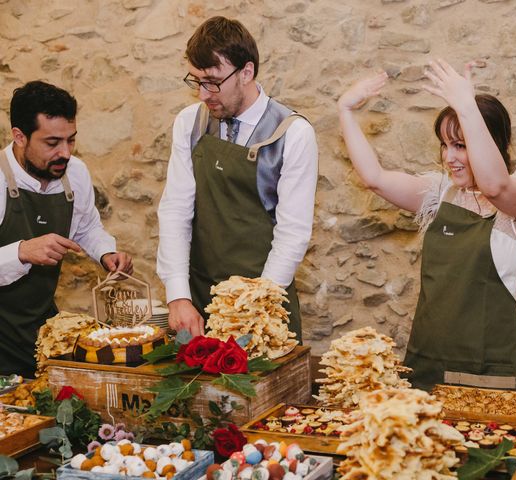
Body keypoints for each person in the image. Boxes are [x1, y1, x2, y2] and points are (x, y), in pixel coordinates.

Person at [338, 59, 516, 391]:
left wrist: (466, 106)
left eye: (461, 145)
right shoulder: (441, 194)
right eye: (445, 145)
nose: (449, 157)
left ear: (491, 142)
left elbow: (495, 187)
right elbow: (374, 179)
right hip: (426, 363)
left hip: (487, 373)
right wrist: (344, 110)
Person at [157, 16, 318, 339]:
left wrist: (256, 307)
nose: (204, 94)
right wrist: (178, 295)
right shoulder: (190, 123)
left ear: (246, 72)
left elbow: (292, 233)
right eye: (197, 81)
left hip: (264, 301)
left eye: (213, 82)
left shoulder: (293, 133)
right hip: (199, 298)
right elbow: (175, 210)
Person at [0, 81, 133, 378]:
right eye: (52, 143)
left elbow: (86, 227)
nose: (65, 152)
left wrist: (105, 252)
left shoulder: (75, 173)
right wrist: (21, 252)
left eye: (71, 140)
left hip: (40, 330)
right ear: (20, 136)